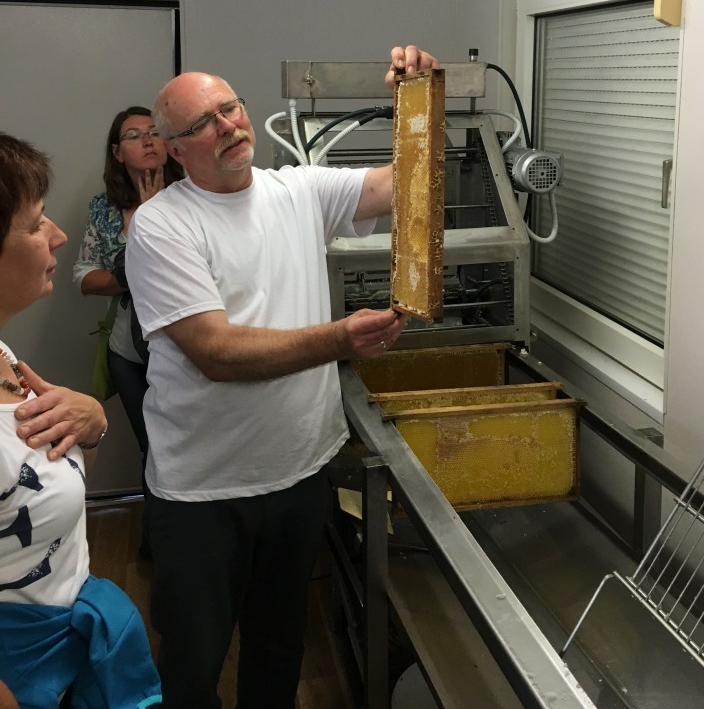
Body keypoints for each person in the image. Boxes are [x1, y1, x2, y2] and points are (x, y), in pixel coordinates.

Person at [125, 44, 439, 708]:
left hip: (297, 473)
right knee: (193, 661)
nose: (228, 125)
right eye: (203, 123)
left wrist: (417, 102)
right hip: (203, 492)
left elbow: (404, 182)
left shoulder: (297, 190)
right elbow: (216, 353)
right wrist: (338, 339)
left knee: (278, 646)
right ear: (174, 150)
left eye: (230, 108)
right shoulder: (161, 226)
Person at [0, 132, 161, 708]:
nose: (57, 234)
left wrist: (90, 424)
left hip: (66, 658)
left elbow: (39, 482)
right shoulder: (107, 206)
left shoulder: (6, 356)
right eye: (36, 223)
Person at [73, 106, 184, 556]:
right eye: (135, 135)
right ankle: (157, 545)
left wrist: (155, 217)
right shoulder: (104, 209)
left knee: (184, 444)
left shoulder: (194, 194)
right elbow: (84, 276)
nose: (148, 141)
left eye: (155, 132)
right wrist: (129, 274)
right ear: (118, 152)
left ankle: (184, 542)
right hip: (129, 351)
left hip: (185, 346)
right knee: (152, 446)